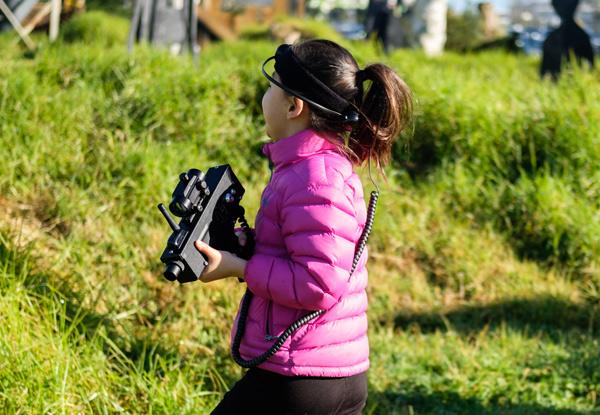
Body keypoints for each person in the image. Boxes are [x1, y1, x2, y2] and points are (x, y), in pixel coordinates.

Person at [194, 39, 413, 415]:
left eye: (270, 87)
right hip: (329, 374)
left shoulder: (316, 178)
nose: (263, 97)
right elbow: (301, 254)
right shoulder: (309, 169)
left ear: (294, 106)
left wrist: (241, 268)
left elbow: (318, 282)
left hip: (299, 378)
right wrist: (242, 245)